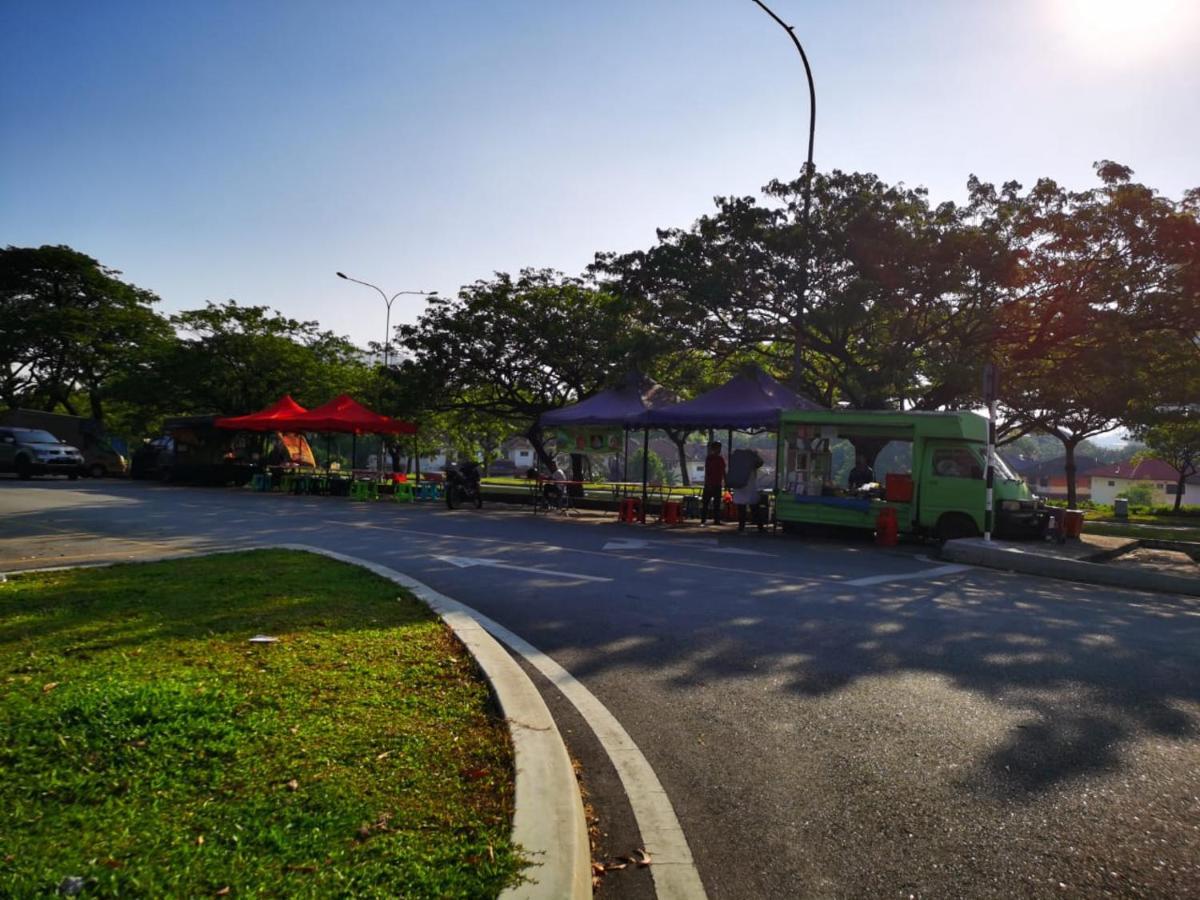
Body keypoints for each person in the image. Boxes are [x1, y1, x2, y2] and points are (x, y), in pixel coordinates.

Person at [727, 446, 765, 533]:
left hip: (740, 488)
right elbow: (760, 462)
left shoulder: (738, 465)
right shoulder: (752, 464)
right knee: (754, 507)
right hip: (750, 487)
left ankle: (741, 527)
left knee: (741, 509)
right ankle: (760, 526)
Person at [700, 441, 726, 525]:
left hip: (715, 483)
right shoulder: (711, 458)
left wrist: (725, 481)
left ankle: (712, 520)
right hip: (712, 483)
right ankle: (705, 519)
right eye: (718, 448)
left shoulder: (715, 458)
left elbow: (723, 471)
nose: (719, 450)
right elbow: (708, 472)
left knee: (714, 503)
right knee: (708, 503)